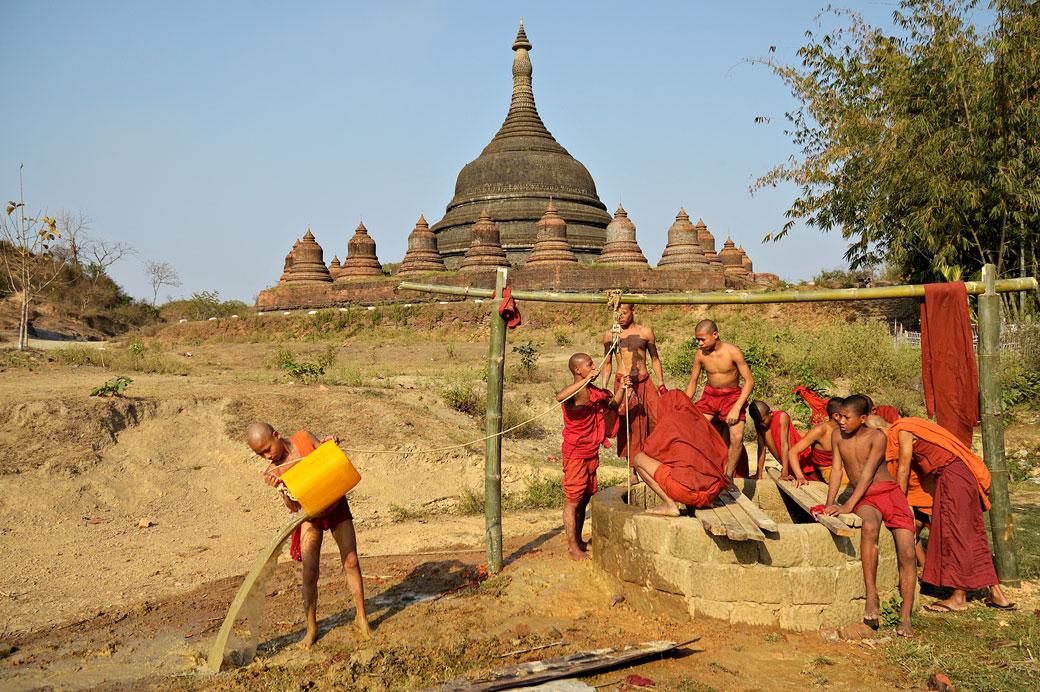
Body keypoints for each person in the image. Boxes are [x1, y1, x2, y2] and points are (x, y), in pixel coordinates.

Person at [246, 422, 372, 648]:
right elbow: (293, 506)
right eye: (260, 454)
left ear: (277, 435)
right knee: (310, 572)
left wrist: (329, 444)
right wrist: (280, 488)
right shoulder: (273, 471)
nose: (266, 456)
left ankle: (361, 617)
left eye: (267, 449)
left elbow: (328, 456)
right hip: (309, 517)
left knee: (351, 560)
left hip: (335, 505)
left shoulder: (304, 438)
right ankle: (311, 627)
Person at [886, 417, 1015, 613]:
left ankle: (958, 598)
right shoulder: (912, 424)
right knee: (974, 535)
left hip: (952, 479)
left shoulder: (902, 431)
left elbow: (903, 469)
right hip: (963, 475)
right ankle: (997, 594)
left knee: (956, 536)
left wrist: (898, 503)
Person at [818, 395, 916, 637]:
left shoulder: (877, 437)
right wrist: (829, 504)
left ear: (863, 419)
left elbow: (868, 474)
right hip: (866, 498)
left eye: (846, 417)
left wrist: (848, 505)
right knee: (869, 527)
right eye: (839, 416)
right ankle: (871, 594)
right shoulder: (837, 437)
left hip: (888, 493)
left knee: (908, 551)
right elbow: (837, 471)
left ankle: (905, 615)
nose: (840, 421)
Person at [556, 354, 630, 561]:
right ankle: (573, 548)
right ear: (578, 370)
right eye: (589, 365)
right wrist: (587, 380)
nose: (594, 367)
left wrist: (622, 388)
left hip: (591, 451)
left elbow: (613, 405)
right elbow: (560, 397)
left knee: (585, 497)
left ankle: (578, 541)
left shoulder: (594, 391)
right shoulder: (575, 393)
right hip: (576, 453)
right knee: (572, 501)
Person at [631, 390, 729, 517]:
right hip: (712, 492)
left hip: (686, 492)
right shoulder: (700, 421)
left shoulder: (670, 420)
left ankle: (670, 505)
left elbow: (650, 450)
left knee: (639, 459)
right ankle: (702, 501)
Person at [685, 319, 754, 479]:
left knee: (737, 437)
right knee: (693, 429)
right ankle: (697, 471)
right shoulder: (700, 355)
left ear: (715, 335)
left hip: (732, 398)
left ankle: (728, 476)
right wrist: (686, 402)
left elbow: (749, 381)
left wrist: (737, 408)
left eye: (702, 339)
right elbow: (693, 381)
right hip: (710, 397)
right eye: (697, 339)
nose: (699, 343)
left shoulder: (732, 352)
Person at [601, 304, 665, 470]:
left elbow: (655, 359)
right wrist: (603, 387)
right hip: (624, 382)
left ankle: (652, 464)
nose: (620, 317)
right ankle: (632, 470)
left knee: (656, 420)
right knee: (627, 424)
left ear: (633, 311)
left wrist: (661, 382)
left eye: (624, 313)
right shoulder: (610, 335)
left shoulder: (646, 332)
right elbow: (607, 363)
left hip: (645, 381)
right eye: (617, 313)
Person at [748, 400, 816, 483]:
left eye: (762, 421)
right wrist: (759, 473)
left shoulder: (782, 416)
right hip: (788, 464)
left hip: (802, 460)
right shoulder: (759, 424)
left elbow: (784, 444)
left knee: (818, 481)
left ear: (770, 413)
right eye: (757, 422)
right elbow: (761, 447)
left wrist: (785, 471)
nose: (761, 424)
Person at [787, 397, 847, 486]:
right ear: (836, 416)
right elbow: (792, 452)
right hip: (830, 471)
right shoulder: (820, 431)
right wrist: (800, 477)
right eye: (846, 415)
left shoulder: (847, 429)